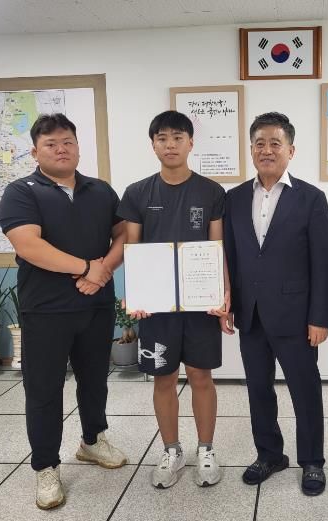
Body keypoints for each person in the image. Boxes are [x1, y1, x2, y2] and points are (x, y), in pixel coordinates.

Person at [0, 113, 128, 510]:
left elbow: (124, 234)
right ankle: (46, 466)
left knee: (95, 381)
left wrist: (103, 270)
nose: (61, 149)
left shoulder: (100, 190)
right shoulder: (21, 192)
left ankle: (92, 440)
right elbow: (28, 245)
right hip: (46, 310)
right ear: (35, 151)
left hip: (96, 305)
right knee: (44, 390)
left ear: (77, 146)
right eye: (51, 144)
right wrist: (87, 267)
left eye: (67, 141)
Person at [117, 110, 229, 489]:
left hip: (200, 304)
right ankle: (171, 450)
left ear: (191, 143)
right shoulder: (137, 193)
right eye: (162, 138)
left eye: (178, 137)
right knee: (163, 378)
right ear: (153, 145)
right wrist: (135, 295)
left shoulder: (211, 192)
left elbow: (217, 248)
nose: (170, 145)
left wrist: (222, 293)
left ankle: (206, 449)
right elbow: (133, 249)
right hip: (157, 307)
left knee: (201, 376)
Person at [223, 112, 328, 496]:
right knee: (258, 390)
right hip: (251, 314)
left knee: (305, 390)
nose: (266, 150)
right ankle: (269, 454)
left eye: (275, 143)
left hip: (297, 317)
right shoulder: (234, 198)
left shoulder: (311, 199)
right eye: (260, 143)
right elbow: (231, 257)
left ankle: (312, 461)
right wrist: (227, 305)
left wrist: (320, 317)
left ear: (291, 150)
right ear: (251, 149)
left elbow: (322, 264)